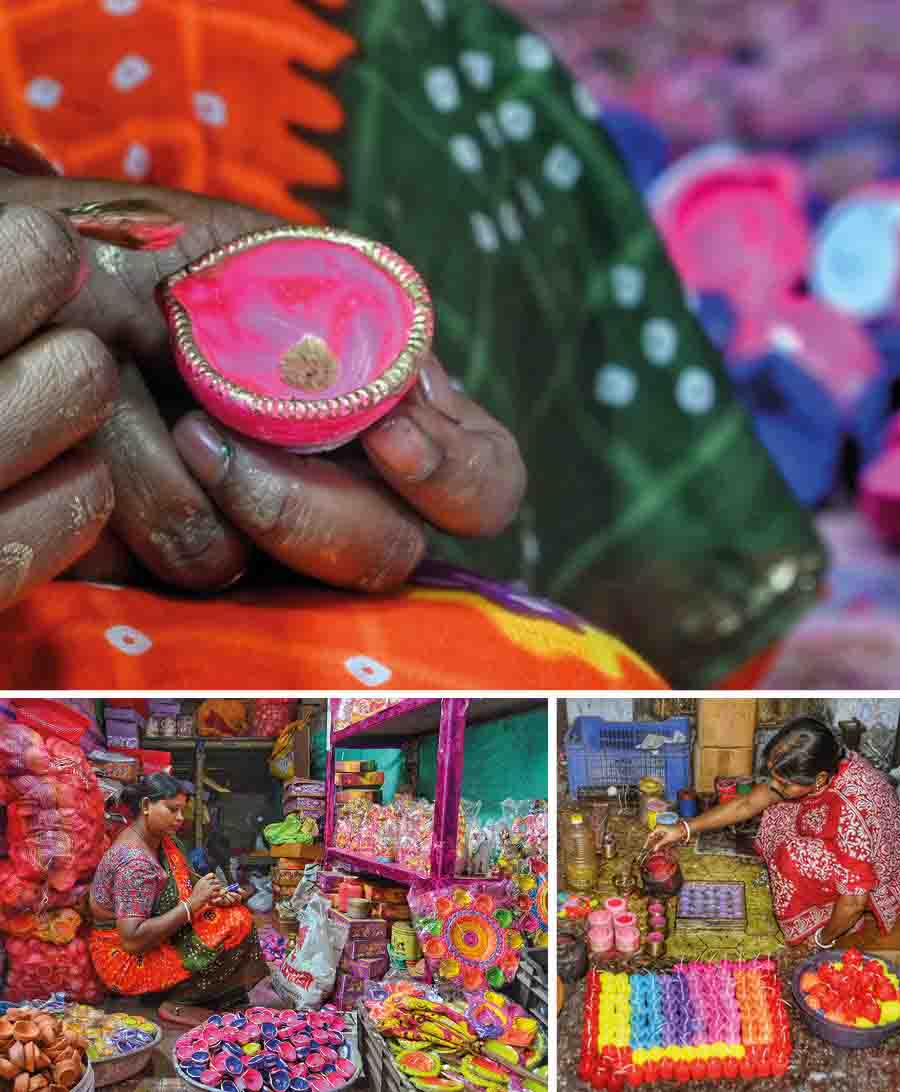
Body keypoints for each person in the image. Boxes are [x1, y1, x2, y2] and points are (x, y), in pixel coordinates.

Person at [647, 718, 900, 948]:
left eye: (784, 783)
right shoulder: (826, 762)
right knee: (777, 812)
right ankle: (807, 887)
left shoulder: (852, 811)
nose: (774, 786)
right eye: (774, 776)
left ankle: (832, 918)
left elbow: (854, 902)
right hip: (841, 836)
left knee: (792, 855)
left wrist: (823, 939)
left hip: (871, 876)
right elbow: (748, 803)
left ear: (820, 779)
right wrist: (682, 829)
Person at [88, 773, 266, 1026]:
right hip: (123, 957)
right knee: (233, 924)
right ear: (146, 806)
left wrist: (216, 896)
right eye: (172, 810)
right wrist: (193, 904)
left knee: (232, 915)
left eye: (182, 810)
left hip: (149, 935)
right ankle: (180, 1001)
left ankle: (205, 996)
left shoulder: (162, 841)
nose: (181, 818)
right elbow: (132, 940)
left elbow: (185, 884)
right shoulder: (134, 863)